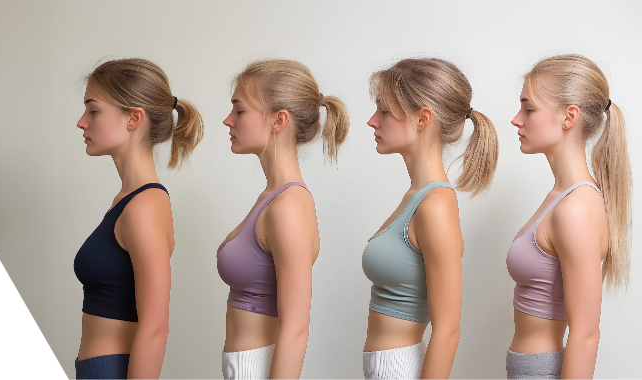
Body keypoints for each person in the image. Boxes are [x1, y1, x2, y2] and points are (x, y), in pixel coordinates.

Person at [362, 58, 498, 380]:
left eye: (383, 110)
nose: (372, 121)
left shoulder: (435, 204)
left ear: (423, 118)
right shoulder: (416, 197)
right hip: (385, 368)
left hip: (399, 370)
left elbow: (448, 331)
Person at [217, 59, 349, 380]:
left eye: (239, 110)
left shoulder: (288, 206)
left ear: (279, 120)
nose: (227, 120)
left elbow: (296, 330)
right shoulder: (272, 198)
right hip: (243, 368)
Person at [73, 58, 204, 380]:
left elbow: (155, 329)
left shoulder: (144, 206)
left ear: (134, 118)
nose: (81, 122)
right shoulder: (127, 201)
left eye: (93, 110)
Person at [506, 54, 632, 380]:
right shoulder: (560, 199)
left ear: (569, 117)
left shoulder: (576, 208)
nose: (516, 120)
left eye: (528, 109)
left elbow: (586, 335)